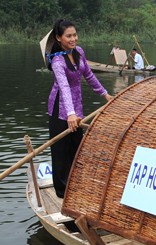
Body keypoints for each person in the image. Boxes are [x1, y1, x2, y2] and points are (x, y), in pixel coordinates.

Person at [46, 19, 114, 198]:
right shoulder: (57, 61)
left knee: (77, 148)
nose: (73, 39)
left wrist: (105, 95)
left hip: (76, 107)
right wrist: (70, 113)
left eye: (74, 35)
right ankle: (62, 192)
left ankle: (75, 186)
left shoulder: (79, 52)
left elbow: (89, 76)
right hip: (60, 109)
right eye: (68, 36)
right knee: (61, 151)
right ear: (59, 38)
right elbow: (64, 87)